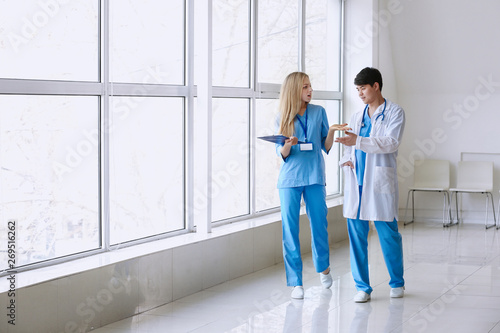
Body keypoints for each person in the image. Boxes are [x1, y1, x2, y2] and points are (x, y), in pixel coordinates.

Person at [275, 71, 350, 299]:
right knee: (290, 229)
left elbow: (325, 147)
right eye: (305, 86)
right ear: (295, 89)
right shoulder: (282, 117)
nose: (310, 90)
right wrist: (288, 144)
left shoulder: (319, 112)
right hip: (289, 179)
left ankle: (324, 267)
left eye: (310, 86)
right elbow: (283, 154)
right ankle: (296, 282)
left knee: (319, 223)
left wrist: (330, 131)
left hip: (314, 176)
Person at [335, 67, 405, 303]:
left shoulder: (395, 112)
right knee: (356, 236)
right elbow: (349, 146)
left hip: (379, 182)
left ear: (376, 86)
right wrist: (346, 159)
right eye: (357, 90)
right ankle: (362, 287)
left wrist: (359, 141)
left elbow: (391, 143)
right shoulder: (357, 116)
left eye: (363, 88)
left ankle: (397, 282)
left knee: (388, 234)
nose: (360, 94)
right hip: (358, 183)